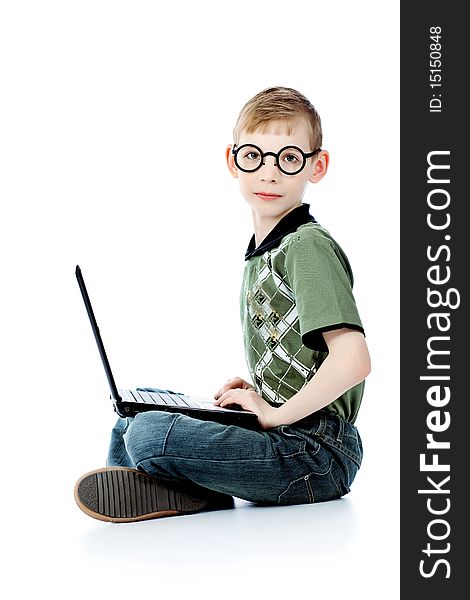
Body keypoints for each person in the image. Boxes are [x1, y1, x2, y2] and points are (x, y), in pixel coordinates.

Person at [74, 86, 371, 523]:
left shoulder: (306, 246)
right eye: (255, 156)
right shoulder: (265, 248)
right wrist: (259, 395)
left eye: (288, 159)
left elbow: (354, 359)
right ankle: (182, 491)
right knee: (136, 413)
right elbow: (300, 354)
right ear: (233, 160)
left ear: (317, 166)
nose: (269, 174)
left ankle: (185, 485)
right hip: (291, 432)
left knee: (150, 435)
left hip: (318, 454)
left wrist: (274, 415)